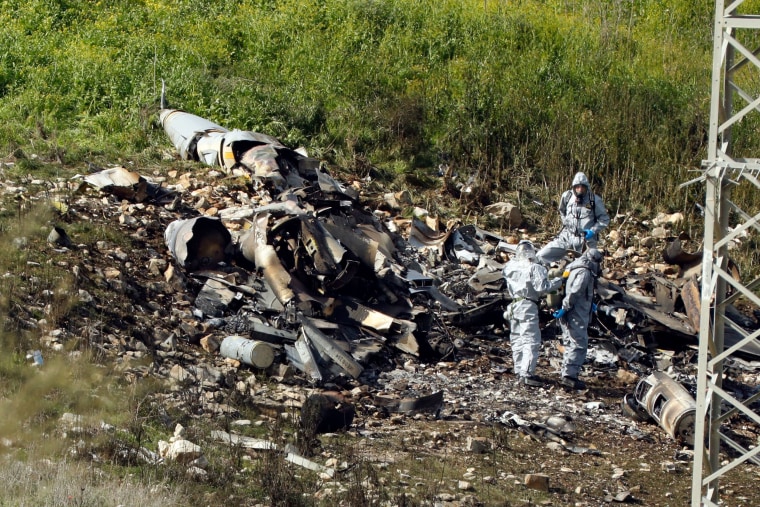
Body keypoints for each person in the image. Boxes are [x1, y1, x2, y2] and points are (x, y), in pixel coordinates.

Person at [503, 240, 564, 387]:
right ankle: (527, 374)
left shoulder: (510, 267)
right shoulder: (534, 267)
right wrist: (559, 280)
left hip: (513, 305)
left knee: (517, 339)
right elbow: (542, 288)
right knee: (531, 340)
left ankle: (519, 370)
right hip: (527, 305)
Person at [552, 247, 603, 390]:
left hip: (569, 310)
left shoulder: (572, 267)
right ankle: (570, 376)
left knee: (569, 342)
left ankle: (566, 373)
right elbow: (575, 292)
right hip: (576, 311)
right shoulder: (585, 272)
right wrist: (566, 307)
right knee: (579, 343)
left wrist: (590, 301)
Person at [537, 172, 610, 265]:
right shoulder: (567, 196)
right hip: (567, 236)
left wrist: (593, 231)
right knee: (542, 255)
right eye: (577, 187)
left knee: (588, 268)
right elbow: (562, 210)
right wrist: (566, 222)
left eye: (583, 187)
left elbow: (604, 219)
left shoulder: (594, 200)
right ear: (573, 187)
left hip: (586, 240)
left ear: (586, 187)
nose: (580, 189)